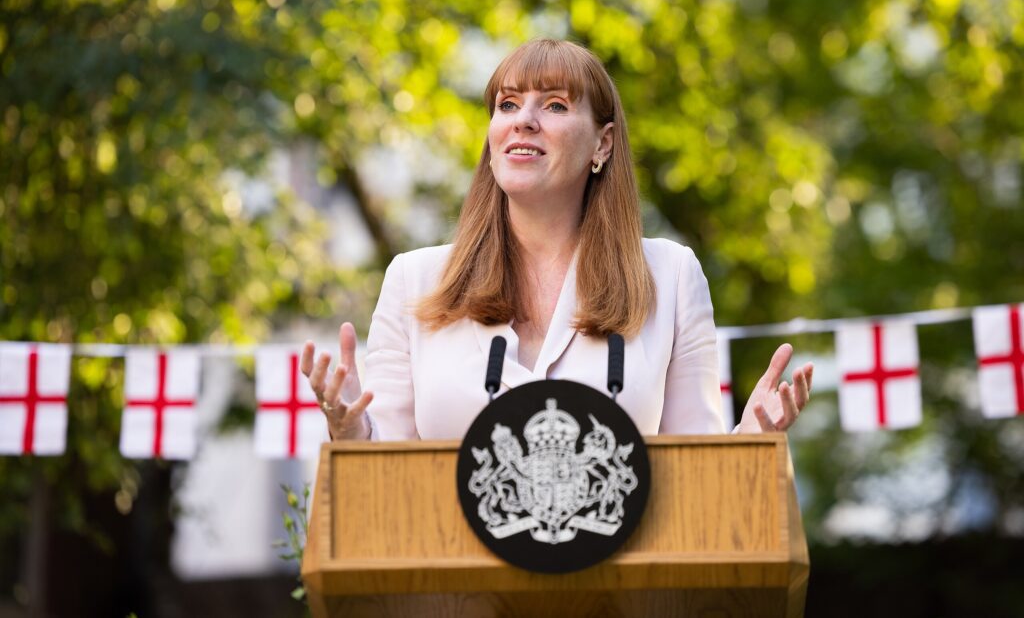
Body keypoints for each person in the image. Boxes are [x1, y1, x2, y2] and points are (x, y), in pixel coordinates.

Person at [300, 39, 812, 441]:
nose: (524, 119)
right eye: (507, 103)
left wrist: (753, 438)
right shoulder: (414, 281)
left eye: (555, 105)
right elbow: (385, 472)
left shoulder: (671, 277)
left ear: (602, 143)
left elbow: (696, 466)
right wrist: (349, 431)